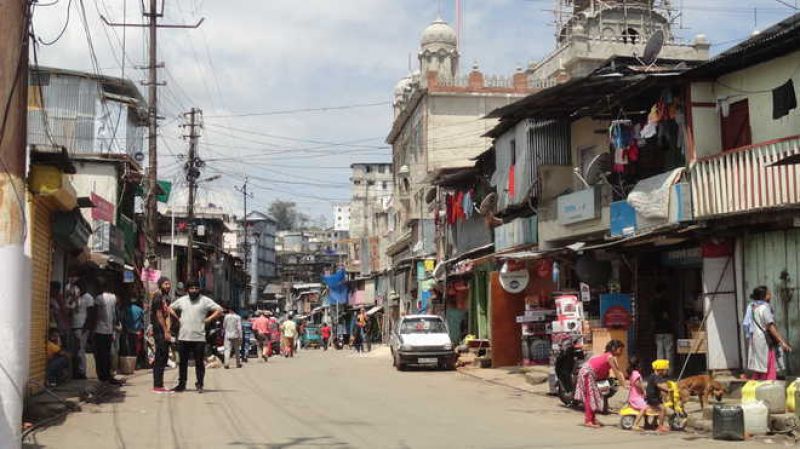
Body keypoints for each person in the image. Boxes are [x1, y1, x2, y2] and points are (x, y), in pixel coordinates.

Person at [169, 280, 223, 393]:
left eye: (196, 288)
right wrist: (177, 318)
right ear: (187, 290)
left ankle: (200, 384)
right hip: (183, 337)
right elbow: (169, 308)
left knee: (199, 363)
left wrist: (209, 319)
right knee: (182, 363)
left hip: (199, 337)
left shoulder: (205, 300)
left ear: (199, 289)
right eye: (191, 288)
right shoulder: (182, 300)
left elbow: (219, 309)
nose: (194, 290)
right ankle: (181, 384)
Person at [574, 339, 628, 428]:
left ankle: (592, 418)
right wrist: (624, 384)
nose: (621, 352)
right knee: (590, 397)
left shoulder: (610, 357)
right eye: (620, 349)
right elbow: (617, 372)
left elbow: (617, 372)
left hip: (593, 375)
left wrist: (624, 383)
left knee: (595, 397)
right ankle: (588, 420)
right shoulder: (610, 357)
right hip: (588, 373)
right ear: (614, 348)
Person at [743, 286, 792, 380]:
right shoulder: (764, 308)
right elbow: (771, 327)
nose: (771, 295)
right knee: (769, 364)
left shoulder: (753, 307)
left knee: (759, 366)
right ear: (764, 296)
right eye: (769, 294)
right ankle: (769, 385)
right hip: (765, 341)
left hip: (756, 339)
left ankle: (757, 386)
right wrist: (782, 342)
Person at [90, 278, 121, 385]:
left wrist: (91, 329)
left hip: (99, 330)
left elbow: (95, 315)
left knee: (99, 355)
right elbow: (115, 313)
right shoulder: (113, 298)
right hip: (109, 331)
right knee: (107, 354)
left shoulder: (98, 298)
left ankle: (102, 376)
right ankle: (108, 375)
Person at [151, 277, 173, 393]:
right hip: (159, 330)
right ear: (160, 285)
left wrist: (168, 330)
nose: (168, 286)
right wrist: (165, 330)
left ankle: (160, 384)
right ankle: (157, 385)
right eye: (165, 284)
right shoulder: (157, 296)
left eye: (169, 284)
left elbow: (167, 314)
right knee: (160, 357)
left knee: (164, 357)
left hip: (164, 330)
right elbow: (159, 315)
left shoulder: (166, 298)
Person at [67, 280, 92, 379]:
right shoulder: (74, 298)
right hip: (73, 325)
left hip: (82, 327)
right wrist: (73, 298)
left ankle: (82, 372)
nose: (76, 289)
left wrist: (87, 326)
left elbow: (91, 313)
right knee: (74, 350)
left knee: (80, 350)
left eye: (77, 287)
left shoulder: (88, 298)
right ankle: (75, 371)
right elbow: (69, 309)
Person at [645, 359, 671, 433]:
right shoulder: (656, 376)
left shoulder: (653, 375)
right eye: (666, 370)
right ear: (660, 369)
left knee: (659, 407)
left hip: (653, 397)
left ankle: (654, 422)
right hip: (652, 398)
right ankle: (660, 426)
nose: (666, 371)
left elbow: (662, 383)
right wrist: (668, 389)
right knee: (662, 409)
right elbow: (659, 385)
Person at [652, 286, 673, 375]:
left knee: (659, 353)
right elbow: (668, 315)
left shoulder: (653, 303)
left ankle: (660, 372)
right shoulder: (666, 302)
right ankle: (669, 372)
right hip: (667, 330)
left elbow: (652, 318)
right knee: (668, 352)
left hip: (658, 330)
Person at [626, 356, 648, 431]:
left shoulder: (632, 373)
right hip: (636, 397)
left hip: (634, 396)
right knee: (644, 408)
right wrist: (644, 390)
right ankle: (635, 424)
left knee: (647, 405)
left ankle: (647, 423)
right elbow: (637, 384)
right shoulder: (636, 373)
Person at [123, 297, 145, 367]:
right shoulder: (139, 309)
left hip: (129, 331)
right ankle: (137, 363)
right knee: (137, 348)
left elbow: (124, 319)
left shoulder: (127, 309)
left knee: (130, 347)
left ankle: (131, 364)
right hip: (138, 331)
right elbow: (142, 318)